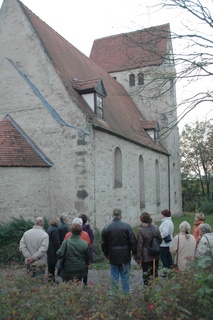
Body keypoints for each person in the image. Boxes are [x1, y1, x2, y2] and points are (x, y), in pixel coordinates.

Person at [101, 208, 137, 294]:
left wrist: (106, 253)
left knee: (114, 276)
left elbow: (103, 243)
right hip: (125, 255)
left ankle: (114, 295)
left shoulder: (106, 227)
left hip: (113, 255)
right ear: (121, 216)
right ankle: (125, 294)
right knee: (125, 276)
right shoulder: (127, 226)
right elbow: (133, 241)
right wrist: (134, 252)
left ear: (112, 215)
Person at [134, 212, 162, 286]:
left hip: (146, 255)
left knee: (146, 274)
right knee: (155, 273)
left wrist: (138, 257)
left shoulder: (140, 230)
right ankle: (155, 291)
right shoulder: (156, 228)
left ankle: (148, 292)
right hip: (155, 253)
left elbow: (140, 244)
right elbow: (160, 239)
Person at [64, 217, 91, 285]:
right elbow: (88, 247)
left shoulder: (67, 235)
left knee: (69, 281)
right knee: (79, 279)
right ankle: (83, 285)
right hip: (81, 260)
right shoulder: (85, 235)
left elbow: (63, 249)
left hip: (69, 261)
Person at [47, 216, 60, 281]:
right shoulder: (55, 230)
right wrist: (59, 250)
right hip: (53, 250)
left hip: (49, 248)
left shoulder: (50, 228)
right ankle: (52, 280)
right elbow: (56, 241)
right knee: (52, 265)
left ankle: (50, 279)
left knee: (50, 266)